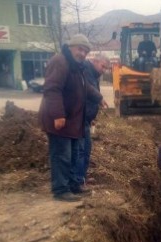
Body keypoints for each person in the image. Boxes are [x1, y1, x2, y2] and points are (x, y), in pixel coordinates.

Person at [38, 34, 104, 202]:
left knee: (74, 154)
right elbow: (52, 89)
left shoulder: (77, 66)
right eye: (80, 49)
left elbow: (85, 87)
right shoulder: (60, 61)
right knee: (62, 155)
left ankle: (74, 186)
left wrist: (99, 98)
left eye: (85, 51)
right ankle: (60, 189)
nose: (82, 53)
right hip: (60, 120)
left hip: (73, 121)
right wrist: (58, 114)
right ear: (70, 47)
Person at [76, 54, 110, 187]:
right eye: (103, 66)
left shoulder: (94, 74)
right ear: (95, 61)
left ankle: (82, 177)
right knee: (80, 150)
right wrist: (100, 99)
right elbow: (88, 91)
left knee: (86, 149)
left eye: (106, 68)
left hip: (86, 118)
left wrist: (92, 117)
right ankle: (78, 181)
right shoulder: (86, 71)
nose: (104, 70)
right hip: (79, 117)